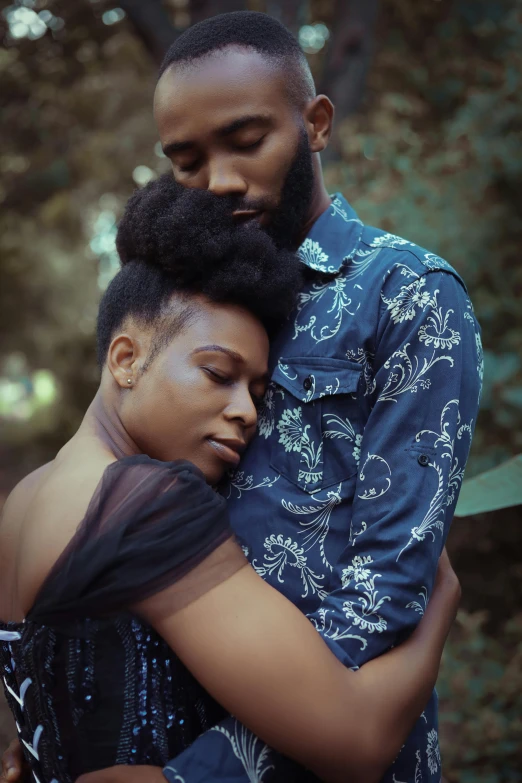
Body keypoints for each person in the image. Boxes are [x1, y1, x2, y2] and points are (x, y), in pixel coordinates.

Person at [2, 10, 483, 783]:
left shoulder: (406, 299)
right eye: (186, 160)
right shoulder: (186, 298)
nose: (220, 181)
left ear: (316, 122)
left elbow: (384, 596)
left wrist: (195, 775)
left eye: (247, 140)